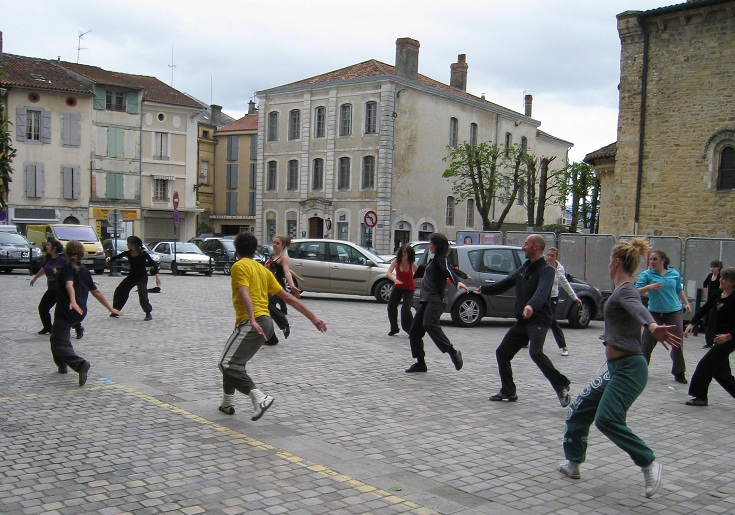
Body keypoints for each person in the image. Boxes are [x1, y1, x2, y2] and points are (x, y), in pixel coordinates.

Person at [558, 237, 681, 499]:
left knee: (607, 419)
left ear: (615, 262)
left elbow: (637, 308)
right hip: (616, 369)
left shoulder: (626, 289)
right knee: (580, 409)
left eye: (609, 261)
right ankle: (573, 464)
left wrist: (652, 326)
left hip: (630, 369)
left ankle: (648, 462)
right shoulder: (626, 289)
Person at [217, 232, 327, 420]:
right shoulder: (262, 270)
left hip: (253, 322)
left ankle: (259, 397)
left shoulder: (239, 266)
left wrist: (251, 318)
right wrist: (313, 317)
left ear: (237, 250)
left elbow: (244, 292)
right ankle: (227, 403)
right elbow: (288, 297)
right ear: (254, 249)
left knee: (226, 363)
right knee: (235, 361)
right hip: (266, 323)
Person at [473, 234, 571, 407]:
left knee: (535, 352)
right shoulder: (526, 267)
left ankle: (561, 385)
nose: (522, 247)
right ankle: (508, 390)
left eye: (526, 244)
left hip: (539, 321)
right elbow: (507, 282)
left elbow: (542, 291)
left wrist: (531, 305)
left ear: (535, 247)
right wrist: (484, 290)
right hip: (523, 321)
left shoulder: (547, 270)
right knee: (502, 353)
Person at [50, 240, 122, 386]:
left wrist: (73, 301)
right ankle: (62, 366)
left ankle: (80, 364)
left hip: (67, 310)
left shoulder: (67, 268)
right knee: (57, 338)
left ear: (66, 253)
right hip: (80, 312)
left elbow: (69, 284)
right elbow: (96, 292)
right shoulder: (84, 270)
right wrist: (111, 308)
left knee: (59, 343)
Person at [405, 232, 466, 373]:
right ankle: (420, 363)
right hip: (426, 300)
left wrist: (458, 282)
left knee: (429, 324)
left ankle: (453, 352)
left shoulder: (441, 258)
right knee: (414, 331)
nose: (429, 245)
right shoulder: (434, 260)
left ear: (437, 245)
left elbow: (447, 270)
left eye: (431, 243)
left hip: (436, 300)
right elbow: (451, 269)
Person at [635, 249, 690, 384]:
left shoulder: (674, 274)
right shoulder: (647, 274)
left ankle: (679, 372)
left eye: (655, 259)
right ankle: (641, 370)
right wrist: (649, 287)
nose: (652, 262)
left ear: (662, 261)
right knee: (647, 342)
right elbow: (636, 291)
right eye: (651, 259)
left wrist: (686, 303)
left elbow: (679, 289)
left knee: (677, 342)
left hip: (673, 311)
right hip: (654, 313)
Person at [683, 267, 735, 406]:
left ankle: (700, 397)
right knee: (721, 373)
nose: (721, 280)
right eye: (721, 277)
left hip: (730, 339)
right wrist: (692, 323)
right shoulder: (718, 294)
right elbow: (704, 308)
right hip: (719, 337)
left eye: (725, 279)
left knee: (705, 365)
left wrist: (728, 336)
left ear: (733, 282)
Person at [30, 239, 84, 339]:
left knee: (69, 309)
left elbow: (74, 267)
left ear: (55, 247)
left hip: (62, 289)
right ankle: (48, 327)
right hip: (52, 288)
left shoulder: (63, 259)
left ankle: (78, 327)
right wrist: (35, 278)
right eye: (47, 245)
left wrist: (85, 278)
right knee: (43, 307)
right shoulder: (48, 258)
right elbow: (44, 268)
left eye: (49, 245)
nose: (47, 246)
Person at [106, 236, 161, 321]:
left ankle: (148, 313)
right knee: (120, 290)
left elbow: (153, 264)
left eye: (128, 243)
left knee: (142, 294)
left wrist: (157, 276)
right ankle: (115, 310)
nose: (127, 245)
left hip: (142, 277)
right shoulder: (128, 253)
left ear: (133, 244)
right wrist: (110, 258)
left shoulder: (143, 254)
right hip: (132, 276)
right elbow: (117, 257)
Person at [545, 247, 582, 356]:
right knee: (535, 318)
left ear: (556, 257)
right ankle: (526, 340)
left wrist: (575, 298)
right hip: (542, 297)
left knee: (552, 321)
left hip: (553, 297)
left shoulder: (559, 268)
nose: (550, 258)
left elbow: (565, 284)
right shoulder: (542, 265)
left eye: (552, 256)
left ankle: (563, 346)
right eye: (548, 255)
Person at [265, 235, 301, 345]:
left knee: (267, 304)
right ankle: (271, 338)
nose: (274, 245)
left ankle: (283, 323)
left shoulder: (283, 258)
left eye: (277, 243)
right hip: (269, 287)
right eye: (274, 242)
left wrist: (292, 285)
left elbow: (287, 272)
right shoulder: (272, 257)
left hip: (278, 288)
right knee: (264, 309)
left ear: (283, 246)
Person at [386, 244, 418, 336]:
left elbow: (420, 274)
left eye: (405, 252)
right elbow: (388, 273)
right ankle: (394, 328)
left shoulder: (412, 264)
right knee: (391, 307)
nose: (403, 254)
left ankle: (412, 330)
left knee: (406, 310)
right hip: (398, 287)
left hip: (409, 288)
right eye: (402, 252)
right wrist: (395, 280)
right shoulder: (396, 261)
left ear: (409, 254)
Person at [702, 260, 723, 349]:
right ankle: (709, 340)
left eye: (714, 267)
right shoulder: (710, 276)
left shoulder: (720, 277)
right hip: (709, 300)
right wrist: (707, 293)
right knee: (706, 321)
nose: (712, 268)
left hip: (717, 301)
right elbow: (705, 284)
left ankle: (713, 341)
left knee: (713, 320)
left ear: (718, 268)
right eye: (711, 267)